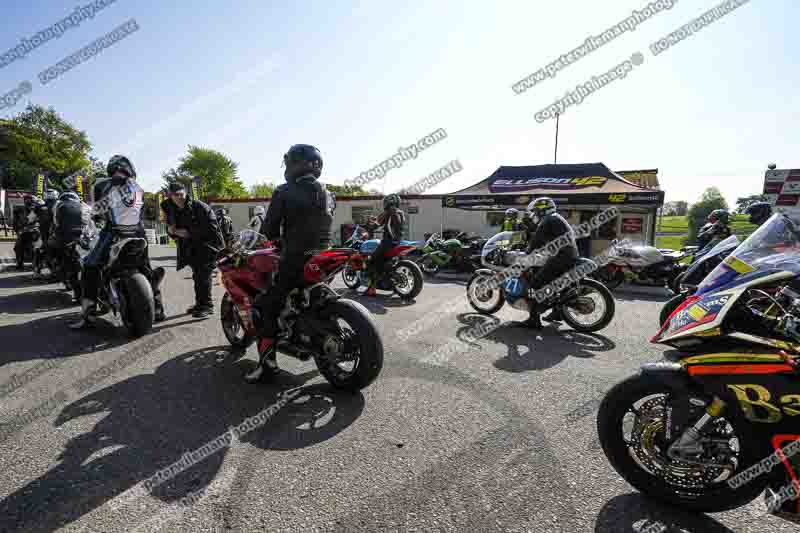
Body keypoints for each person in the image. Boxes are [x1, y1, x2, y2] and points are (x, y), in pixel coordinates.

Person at [246, 144, 334, 384]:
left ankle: (267, 366)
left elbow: (270, 230)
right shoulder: (328, 193)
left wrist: (275, 238)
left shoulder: (284, 191)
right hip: (323, 258)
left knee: (265, 306)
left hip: (296, 260)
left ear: (295, 164)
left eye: (288, 163)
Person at [71, 156, 166, 329]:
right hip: (138, 233)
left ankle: (88, 312)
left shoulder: (103, 184)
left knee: (90, 266)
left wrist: (91, 213)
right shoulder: (138, 187)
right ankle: (158, 308)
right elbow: (141, 211)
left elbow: (96, 210)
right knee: (145, 267)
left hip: (113, 233)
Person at [512, 197, 579, 330]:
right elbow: (546, 241)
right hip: (569, 255)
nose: (534, 215)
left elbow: (536, 240)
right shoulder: (556, 218)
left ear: (542, 211)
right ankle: (558, 312)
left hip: (560, 257)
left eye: (535, 212)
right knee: (552, 283)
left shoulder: (548, 220)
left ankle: (533, 320)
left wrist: (526, 253)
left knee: (533, 285)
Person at [163, 182, 226, 318]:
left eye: (181, 194)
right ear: (170, 196)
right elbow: (172, 227)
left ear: (185, 193)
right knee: (198, 277)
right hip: (191, 248)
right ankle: (200, 304)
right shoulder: (171, 208)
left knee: (203, 276)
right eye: (175, 195)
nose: (179, 198)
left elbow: (211, 229)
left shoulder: (200, 207)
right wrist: (171, 231)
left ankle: (207, 306)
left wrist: (188, 232)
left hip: (208, 246)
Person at [365, 193, 404, 297]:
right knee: (383, 262)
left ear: (387, 203)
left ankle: (371, 289)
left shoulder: (387, 213)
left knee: (370, 262)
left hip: (387, 243)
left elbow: (374, 226)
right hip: (398, 242)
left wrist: (370, 223)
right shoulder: (401, 213)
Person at [48, 191, 87, 284]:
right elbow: (89, 220)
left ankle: (55, 270)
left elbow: (56, 222)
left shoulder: (58, 205)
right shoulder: (83, 206)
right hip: (81, 235)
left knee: (51, 247)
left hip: (64, 236)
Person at [14, 195, 40, 270]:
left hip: (35, 231)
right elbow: (17, 222)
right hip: (24, 231)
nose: (27, 201)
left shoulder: (38, 209)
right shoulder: (20, 210)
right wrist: (18, 230)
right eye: (26, 200)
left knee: (37, 247)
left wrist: (37, 227)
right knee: (18, 246)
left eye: (29, 200)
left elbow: (41, 220)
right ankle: (19, 263)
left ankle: (36, 264)